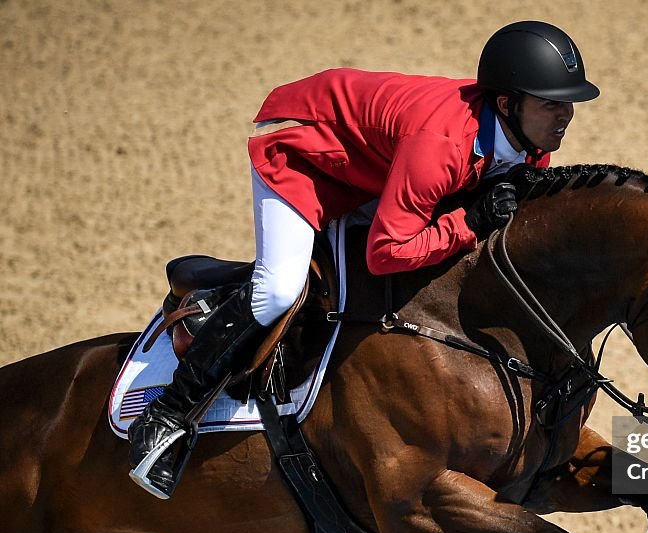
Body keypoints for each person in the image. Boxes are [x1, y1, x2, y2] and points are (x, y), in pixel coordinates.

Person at [127, 20, 601, 499]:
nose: (565, 116)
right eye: (551, 104)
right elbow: (385, 252)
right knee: (280, 289)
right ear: (507, 104)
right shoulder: (441, 146)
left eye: (569, 104)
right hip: (306, 153)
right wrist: (468, 222)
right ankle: (167, 417)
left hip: (379, 165)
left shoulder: (530, 143)